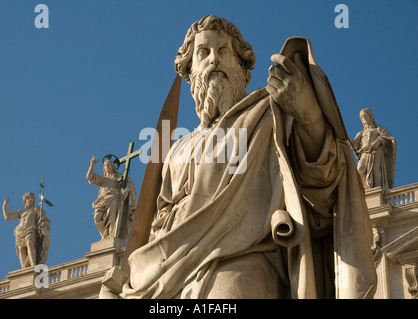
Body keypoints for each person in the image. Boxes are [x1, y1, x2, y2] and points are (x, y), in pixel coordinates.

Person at [120, 15, 377, 299]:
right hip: (170, 277)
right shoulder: (177, 150)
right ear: (191, 72)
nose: (214, 59)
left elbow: (323, 180)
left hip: (242, 261)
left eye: (224, 51)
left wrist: (308, 115)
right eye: (203, 53)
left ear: (242, 68)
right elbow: (161, 223)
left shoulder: (269, 113)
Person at [86, 155, 136, 241]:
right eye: (105, 166)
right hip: (102, 201)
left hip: (114, 199)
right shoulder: (103, 179)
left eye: (109, 165)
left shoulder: (120, 178)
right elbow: (90, 178)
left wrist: (126, 191)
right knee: (97, 217)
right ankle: (105, 236)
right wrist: (92, 165)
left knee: (112, 218)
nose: (107, 167)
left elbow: (130, 186)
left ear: (113, 167)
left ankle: (111, 236)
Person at [352, 108, 396, 190]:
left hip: (377, 151)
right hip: (365, 153)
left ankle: (377, 190)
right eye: (361, 117)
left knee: (376, 170)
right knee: (360, 169)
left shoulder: (378, 129)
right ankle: (364, 188)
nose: (363, 119)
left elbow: (387, 138)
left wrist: (378, 142)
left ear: (371, 116)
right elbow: (354, 144)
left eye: (365, 116)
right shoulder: (361, 133)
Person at [3, 192, 50, 268]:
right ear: (24, 201)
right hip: (19, 231)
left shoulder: (37, 209)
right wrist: (4, 205)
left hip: (30, 229)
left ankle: (33, 263)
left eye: (32, 198)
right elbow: (7, 217)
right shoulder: (21, 212)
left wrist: (43, 224)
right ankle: (24, 267)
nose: (30, 200)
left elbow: (43, 219)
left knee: (29, 243)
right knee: (21, 248)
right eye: (28, 198)